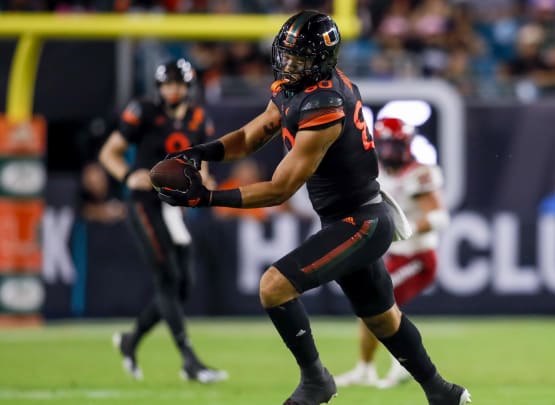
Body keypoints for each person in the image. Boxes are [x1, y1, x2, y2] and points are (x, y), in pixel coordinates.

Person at [156, 11, 471, 405]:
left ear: (321, 59)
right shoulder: (295, 89)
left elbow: (280, 189)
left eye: (299, 58)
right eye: (286, 55)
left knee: (274, 286)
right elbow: (251, 136)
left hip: (361, 222)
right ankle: (443, 392)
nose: (288, 64)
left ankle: (315, 380)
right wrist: (198, 153)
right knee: (382, 319)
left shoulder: (325, 103)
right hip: (351, 218)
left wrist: (206, 197)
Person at [98, 58, 227, 384]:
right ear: (159, 87)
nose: (173, 90)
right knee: (167, 277)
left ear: (188, 86)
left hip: (174, 207)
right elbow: (109, 152)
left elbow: (203, 165)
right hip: (144, 204)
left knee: (183, 284)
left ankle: (131, 340)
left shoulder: (198, 117)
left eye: (178, 84)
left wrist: (201, 185)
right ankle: (189, 361)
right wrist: (128, 175)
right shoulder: (144, 111)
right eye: (168, 84)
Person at [334, 116, 450, 389]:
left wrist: (401, 230)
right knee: (371, 308)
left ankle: (403, 362)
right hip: (395, 256)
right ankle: (366, 368)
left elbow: (439, 217)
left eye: (394, 146)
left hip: (418, 257)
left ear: (407, 145)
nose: (389, 152)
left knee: (379, 306)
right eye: (384, 145)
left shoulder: (419, 173)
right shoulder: (375, 171)